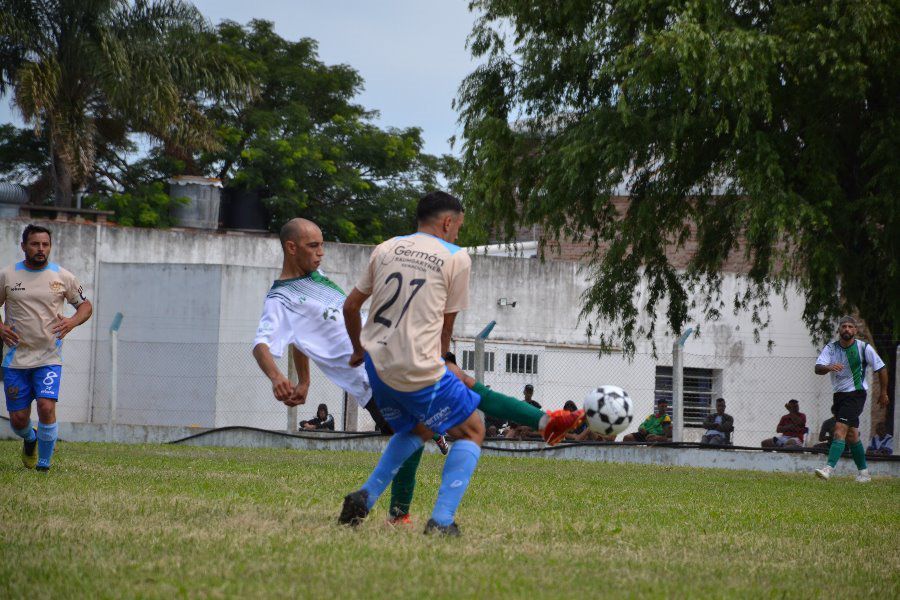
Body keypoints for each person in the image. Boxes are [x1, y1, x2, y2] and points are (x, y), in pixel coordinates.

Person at [338, 191, 583, 535]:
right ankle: (441, 521)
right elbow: (445, 324)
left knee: (417, 429)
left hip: (377, 365)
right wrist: (446, 360)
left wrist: (357, 350)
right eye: (458, 227)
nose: (458, 235)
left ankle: (365, 496)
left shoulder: (386, 248)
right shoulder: (456, 257)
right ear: (448, 222)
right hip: (417, 364)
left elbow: (350, 308)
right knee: (473, 428)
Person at [252, 217, 443, 522]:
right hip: (369, 379)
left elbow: (300, 339)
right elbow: (261, 344)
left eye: (322, 245)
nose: (320, 252)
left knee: (418, 428)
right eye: (313, 246)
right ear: (291, 248)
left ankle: (377, 504)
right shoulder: (280, 300)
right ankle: (393, 512)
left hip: (387, 358)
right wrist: (277, 377)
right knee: (414, 432)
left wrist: (305, 381)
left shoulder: (317, 277)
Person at [1, 224, 92, 471]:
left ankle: (44, 465)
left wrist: (72, 322)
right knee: (19, 420)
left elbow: (85, 306)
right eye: (34, 244)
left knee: (46, 406)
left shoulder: (63, 277)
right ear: (23, 246)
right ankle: (30, 439)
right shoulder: (8, 276)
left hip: (49, 357)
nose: (41, 249)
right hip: (15, 359)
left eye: (45, 244)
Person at [813, 316, 888, 482]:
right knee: (852, 435)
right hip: (839, 395)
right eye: (844, 326)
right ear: (839, 330)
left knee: (839, 429)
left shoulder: (863, 348)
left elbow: (881, 368)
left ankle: (828, 469)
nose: (847, 329)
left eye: (850, 327)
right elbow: (817, 368)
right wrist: (828, 367)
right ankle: (864, 473)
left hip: (856, 394)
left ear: (855, 330)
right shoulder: (831, 348)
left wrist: (883, 393)